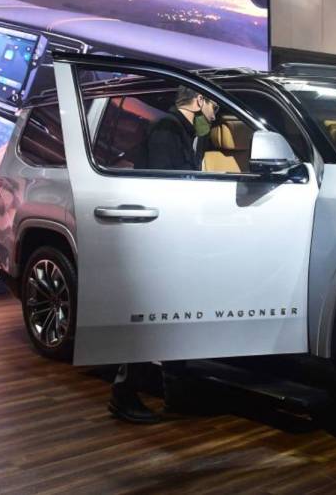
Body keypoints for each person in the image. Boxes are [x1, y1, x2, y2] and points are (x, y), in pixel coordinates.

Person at [108, 86, 218, 424]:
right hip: (160, 238)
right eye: (213, 104)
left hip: (174, 236)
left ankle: (176, 394)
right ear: (198, 102)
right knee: (152, 320)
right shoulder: (168, 130)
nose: (216, 113)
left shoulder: (183, 131)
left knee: (172, 319)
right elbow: (167, 184)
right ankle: (123, 395)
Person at [145, 86, 219, 170]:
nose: (214, 117)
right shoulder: (167, 129)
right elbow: (161, 176)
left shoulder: (191, 133)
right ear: (200, 100)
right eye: (214, 108)